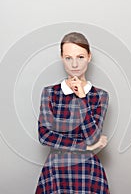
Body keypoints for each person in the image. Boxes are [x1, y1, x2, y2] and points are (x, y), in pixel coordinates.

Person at [35, 32, 110, 193]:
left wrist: (82, 98)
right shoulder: (50, 93)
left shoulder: (100, 96)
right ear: (62, 58)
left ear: (89, 57)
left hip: (87, 171)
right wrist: (86, 147)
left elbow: (93, 137)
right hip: (56, 170)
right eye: (68, 58)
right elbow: (44, 136)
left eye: (80, 57)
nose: (74, 64)